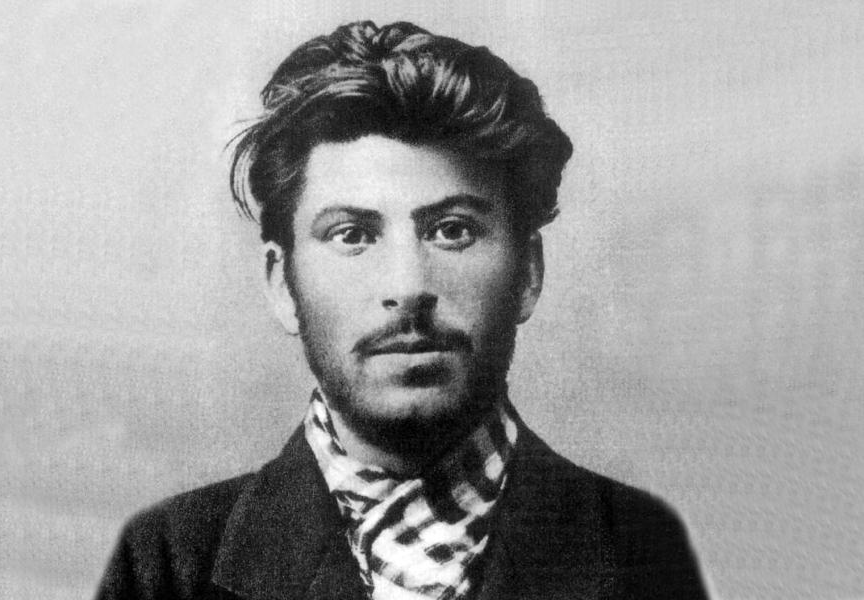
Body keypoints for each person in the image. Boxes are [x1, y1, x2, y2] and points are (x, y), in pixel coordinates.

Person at [96, 20, 708, 600]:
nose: (408, 286)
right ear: (282, 284)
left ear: (528, 272)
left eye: (452, 230)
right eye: (352, 235)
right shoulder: (168, 564)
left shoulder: (642, 551)